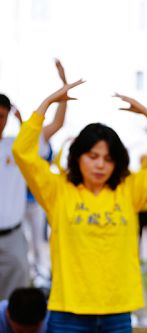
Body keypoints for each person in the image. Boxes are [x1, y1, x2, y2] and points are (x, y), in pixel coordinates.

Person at [12, 82, 147, 332]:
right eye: (93, 156)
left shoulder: (129, 190)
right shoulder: (57, 190)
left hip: (117, 312)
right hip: (68, 313)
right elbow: (22, 151)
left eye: (108, 159)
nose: (100, 165)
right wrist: (45, 106)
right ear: (77, 157)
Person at [0, 73, 68, 299]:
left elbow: (56, 124)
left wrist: (63, 90)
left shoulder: (16, 147)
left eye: (1, 116)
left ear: (7, 116)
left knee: (13, 299)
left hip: (12, 235)